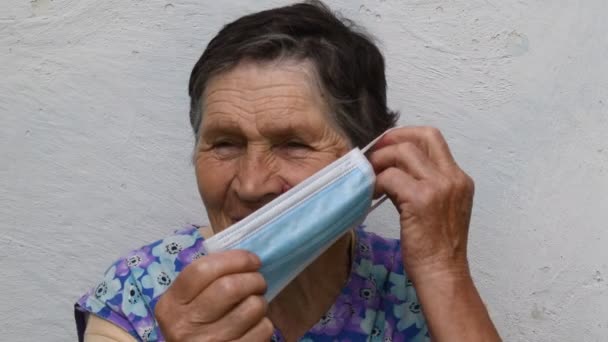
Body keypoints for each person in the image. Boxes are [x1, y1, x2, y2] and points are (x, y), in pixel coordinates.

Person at [74, 1, 501, 341]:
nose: (251, 183)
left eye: (294, 144)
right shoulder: (138, 291)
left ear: (367, 161)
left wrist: (445, 269)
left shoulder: (414, 282)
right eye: (224, 143)